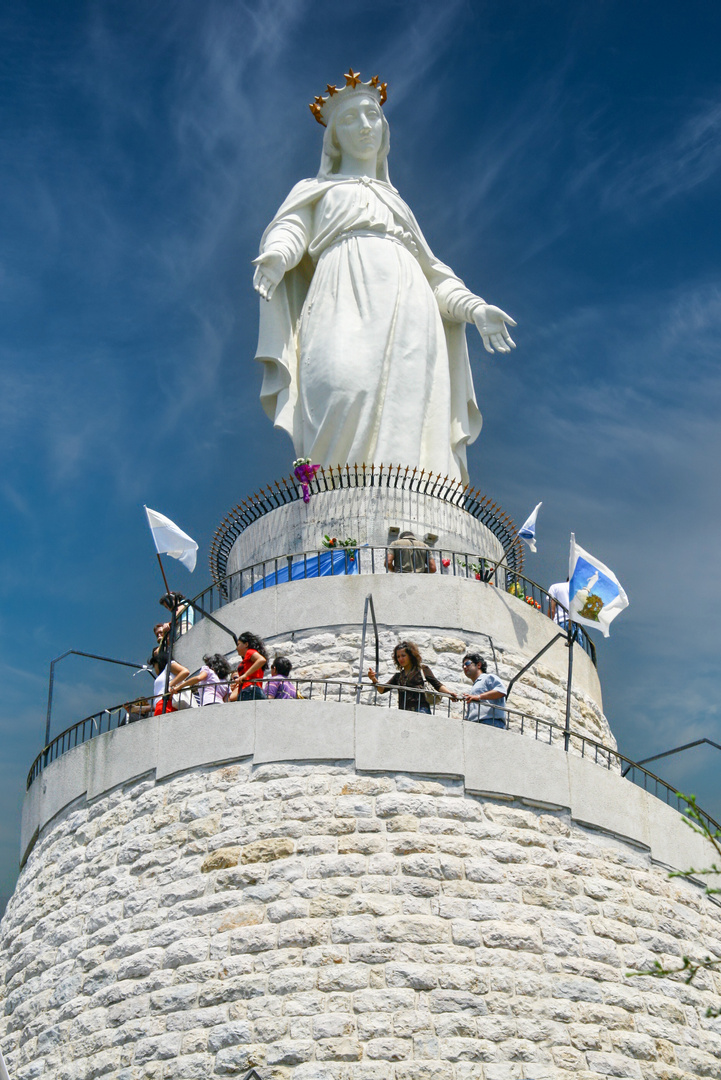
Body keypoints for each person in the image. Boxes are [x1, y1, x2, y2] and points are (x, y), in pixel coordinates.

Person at [253, 71, 516, 484]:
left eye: (372, 116)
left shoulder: (397, 204)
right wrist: (276, 256)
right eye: (350, 119)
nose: (363, 126)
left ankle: (413, 506)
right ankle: (335, 502)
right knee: (341, 385)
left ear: (384, 128)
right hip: (341, 289)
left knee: (411, 408)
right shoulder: (316, 189)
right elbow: (291, 229)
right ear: (334, 137)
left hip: (410, 302)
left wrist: (475, 309)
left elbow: (434, 274)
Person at [368, 640, 455, 714]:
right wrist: (373, 679)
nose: (400, 659)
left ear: (410, 655)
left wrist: (450, 694)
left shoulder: (422, 669)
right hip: (403, 711)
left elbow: (437, 685)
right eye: (398, 656)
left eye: (403, 655)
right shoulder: (398, 676)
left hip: (421, 710)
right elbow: (382, 690)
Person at [462, 653, 507, 728]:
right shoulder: (475, 686)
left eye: (467, 663)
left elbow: (501, 691)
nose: (464, 667)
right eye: (463, 665)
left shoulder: (488, 677)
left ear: (478, 665)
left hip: (490, 722)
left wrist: (479, 697)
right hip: (476, 724)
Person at [229, 632, 269, 701]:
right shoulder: (248, 657)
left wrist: (244, 675)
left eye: (238, 644)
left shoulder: (249, 652)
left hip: (249, 690)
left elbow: (261, 660)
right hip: (253, 690)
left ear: (246, 644)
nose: (236, 648)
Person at [148, 650, 189, 716]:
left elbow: (185, 671)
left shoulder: (168, 667)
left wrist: (169, 685)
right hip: (161, 705)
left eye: (154, 665)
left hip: (166, 704)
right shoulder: (165, 673)